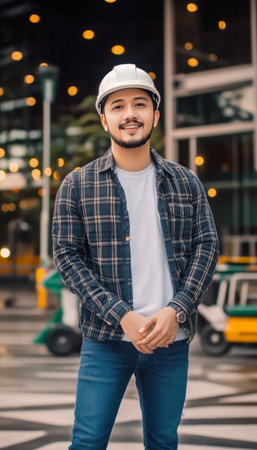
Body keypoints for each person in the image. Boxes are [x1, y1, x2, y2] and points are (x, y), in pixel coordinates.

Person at [52, 63, 219, 450]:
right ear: (104, 119)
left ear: (155, 115)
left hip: (170, 339)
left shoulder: (186, 181)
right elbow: (67, 257)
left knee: (163, 441)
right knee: (88, 441)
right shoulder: (78, 185)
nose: (130, 114)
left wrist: (176, 309)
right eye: (118, 106)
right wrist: (122, 315)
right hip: (107, 340)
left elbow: (207, 246)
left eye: (140, 104)